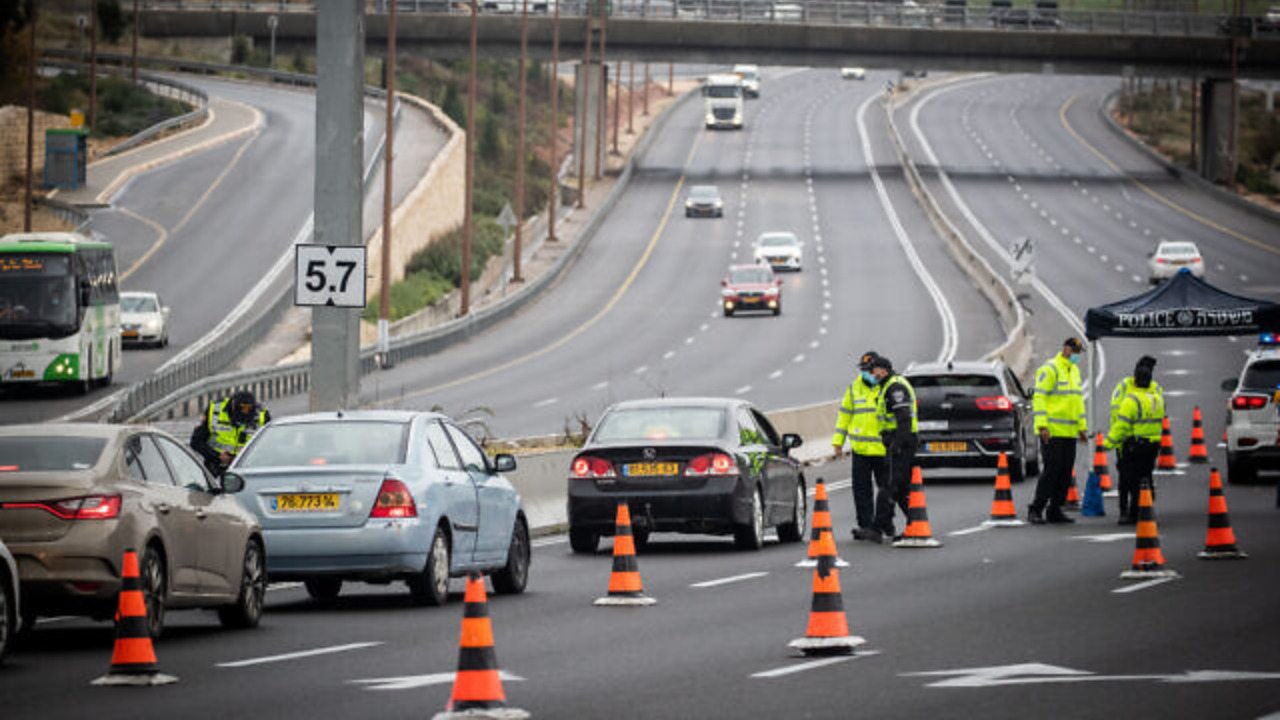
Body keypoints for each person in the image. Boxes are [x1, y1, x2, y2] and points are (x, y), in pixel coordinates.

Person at [1028, 337, 1089, 524]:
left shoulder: (1074, 371)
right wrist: (1042, 426)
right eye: (1075, 351)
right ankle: (1036, 509)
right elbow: (1039, 398)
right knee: (1051, 471)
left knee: (1065, 472)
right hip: (1052, 432)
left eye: (1079, 353)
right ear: (1065, 349)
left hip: (1069, 432)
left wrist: (1082, 428)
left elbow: (1078, 402)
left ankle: (1055, 509)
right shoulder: (1050, 369)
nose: (1077, 356)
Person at [832, 351, 888, 541]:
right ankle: (866, 526)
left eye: (869, 370)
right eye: (863, 370)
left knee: (886, 490)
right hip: (861, 450)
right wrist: (838, 442)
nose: (866, 373)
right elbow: (844, 416)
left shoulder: (886, 387)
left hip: (883, 449)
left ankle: (884, 524)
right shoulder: (854, 388)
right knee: (861, 491)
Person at [1105, 356, 1165, 524]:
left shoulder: (1132, 399)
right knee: (1143, 477)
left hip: (1131, 443)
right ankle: (1138, 511)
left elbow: (1121, 423)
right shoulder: (1155, 395)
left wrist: (1108, 443)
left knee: (1129, 479)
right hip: (1150, 443)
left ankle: (1132, 512)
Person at [864, 354, 917, 543]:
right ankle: (915, 523)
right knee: (901, 488)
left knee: (888, 485)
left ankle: (877, 528)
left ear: (883, 370)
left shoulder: (895, 387)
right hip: (897, 441)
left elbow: (904, 418)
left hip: (901, 442)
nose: (872, 374)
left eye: (874, 370)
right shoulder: (886, 386)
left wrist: (897, 445)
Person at [191, 389, 270, 476]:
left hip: (248, 469)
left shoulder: (262, 416)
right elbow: (196, 442)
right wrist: (217, 456)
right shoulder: (215, 411)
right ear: (232, 406)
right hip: (216, 467)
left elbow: (270, 448)